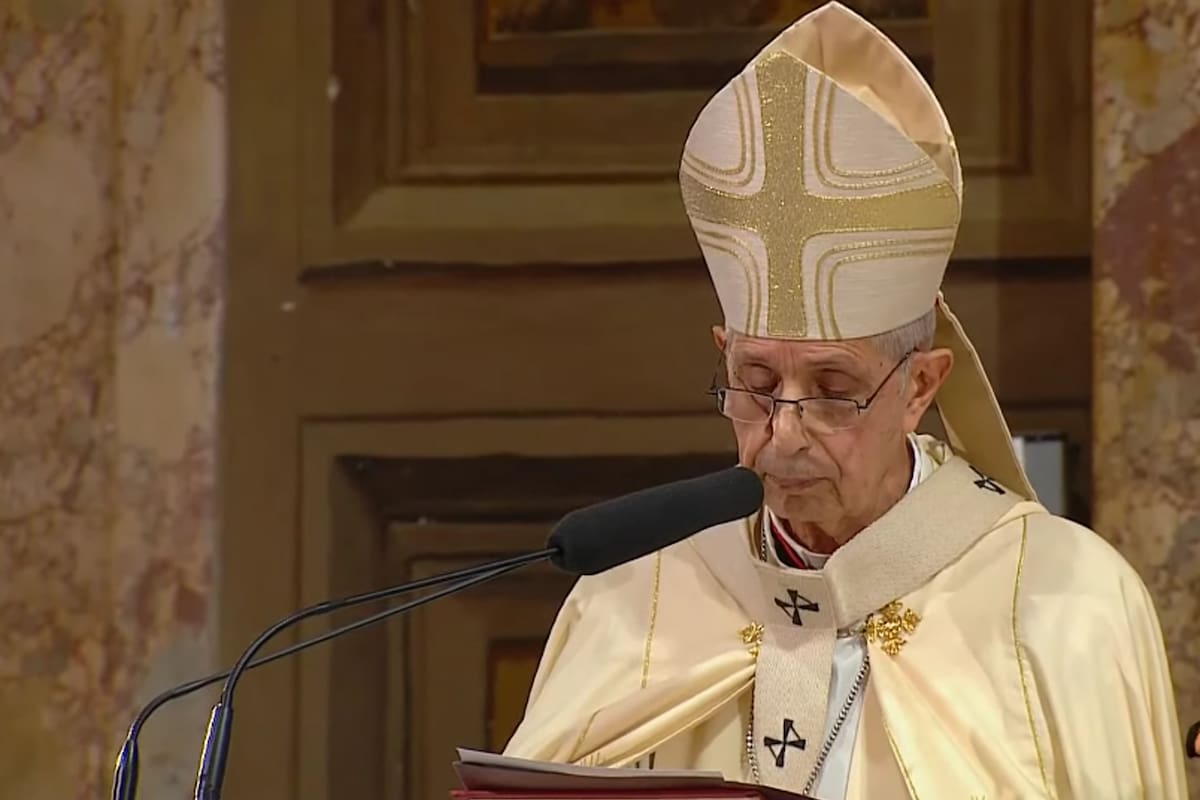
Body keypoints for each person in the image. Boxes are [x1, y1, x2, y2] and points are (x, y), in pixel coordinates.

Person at [502, 3, 1189, 798]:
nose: (783, 436)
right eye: (756, 386)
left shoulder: (1066, 602)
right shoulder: (634, 596)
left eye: (833, 393)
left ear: (921, 388)